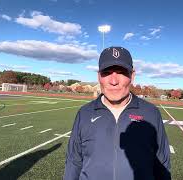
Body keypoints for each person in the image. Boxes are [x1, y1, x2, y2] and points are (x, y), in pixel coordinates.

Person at [64, 47, 171, 180]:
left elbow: (162, 164)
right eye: (107, 72)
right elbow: (74, 162)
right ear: (99, 77)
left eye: (121, 72)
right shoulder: (84, 113)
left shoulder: (151, 113)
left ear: (132, 76)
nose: (113, 81)